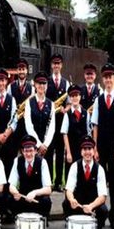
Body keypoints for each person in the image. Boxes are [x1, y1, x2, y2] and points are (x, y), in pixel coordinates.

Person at [90, 63, 114, 229]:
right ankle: (101, 215)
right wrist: (95, 149)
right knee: (99, 182)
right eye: (105, 77)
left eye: (111, 77)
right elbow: (95, 125)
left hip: (113, 146)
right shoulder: (98, 100)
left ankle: (113, 217)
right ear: (102, 79)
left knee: (113, 182)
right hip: (101, 146)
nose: (108, 80)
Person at [63, 136, 109, 229]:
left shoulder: (100, 169)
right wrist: (72, 200)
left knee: (104, 210)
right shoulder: (74, 166)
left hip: (92, 206)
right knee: (66, 203)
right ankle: (72, 228)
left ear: (94, 151)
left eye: (90, 149)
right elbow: (68, 189)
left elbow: (103, 196)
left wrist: (91, 206)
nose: (87, 152)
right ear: (81, 152)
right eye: (84, 149)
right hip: (78, 204)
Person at [8, 135, 53, 218]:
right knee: (10, 198)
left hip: (37, 199)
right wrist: (15, 192)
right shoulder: (17, 161)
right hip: (23, 197)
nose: (28, 154)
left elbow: (48, 189)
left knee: (46, 201)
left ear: (36, 151)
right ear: (22, 151)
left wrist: (34, 192)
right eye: (26, 151)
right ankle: (18, 222)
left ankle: (42, 222)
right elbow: (11, 185)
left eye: (31, 151)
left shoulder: (42, 162)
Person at [24, 72, 57, 181]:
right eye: (39, 83)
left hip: (47, 146)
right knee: (34, 175)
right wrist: (38, 144)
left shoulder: (51, 104)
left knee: (46, 176)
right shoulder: (29, 102)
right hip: (34, 145)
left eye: (44, 83)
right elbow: (28, 125)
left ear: (47, 85)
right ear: (35, 85)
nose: (42, 86)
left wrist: (45, 145)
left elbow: (52, 127)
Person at [46, 54, 70, 192]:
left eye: (58, 63)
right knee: (49, 153)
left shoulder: (66, 83)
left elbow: (68, 104)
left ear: (61, 65)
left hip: (60, 122)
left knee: (60, 153)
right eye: (54, 63)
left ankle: (58, 182)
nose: (56, 66)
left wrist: (64, 109)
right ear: (51, 65)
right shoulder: (46, 81)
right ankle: (48, 182)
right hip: (50, 123)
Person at [61, 84, 91, 169]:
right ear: (70, 98)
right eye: (72, 96)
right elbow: (65, 134)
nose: (74, 98)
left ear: (80, 97)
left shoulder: (86, 113)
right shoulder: (67, 114)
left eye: (76, 95)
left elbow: (89, 133)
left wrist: (89, 151)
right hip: (71, 149)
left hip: (84, 150)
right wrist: (68, 152)